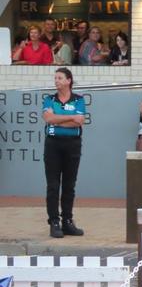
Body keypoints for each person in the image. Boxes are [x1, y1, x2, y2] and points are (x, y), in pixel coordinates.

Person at [42, 67, 85, 238]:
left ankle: (67, 221)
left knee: (69, 185)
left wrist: (57, 121)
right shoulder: (49, 99)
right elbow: (48, 119)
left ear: (69, 80)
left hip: (73, 145)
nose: (56, 80)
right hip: (52, 145)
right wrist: (69, 118)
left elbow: (79, 122)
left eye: (60, 78)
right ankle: (54, 222)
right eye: (55, 78)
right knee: (53, 186)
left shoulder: (79, 100)